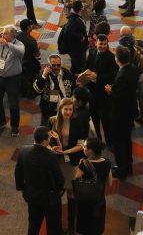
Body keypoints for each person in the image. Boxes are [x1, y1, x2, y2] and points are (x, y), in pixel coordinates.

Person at [14, 126, 64, 235]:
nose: (50, 139)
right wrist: (59, 190)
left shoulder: (23, 150)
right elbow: (59, 178)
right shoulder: (50, 156)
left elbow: (18, 172)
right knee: (53, 227)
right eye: (49, 138)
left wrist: (22, 189)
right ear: (46, 140)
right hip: (50, 198)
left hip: (32, 196)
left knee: (33, 225)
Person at [47, 98, 85, 233]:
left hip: (71, 160)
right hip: (57, 161)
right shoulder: (52, 121)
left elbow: (81, 145)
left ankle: (70, 227)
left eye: (70, 109)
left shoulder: (77, 121)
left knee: (71, 192)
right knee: (56, 191)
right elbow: (45, 140)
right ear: (60, 109)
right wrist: (52, 148)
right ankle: (55, 226)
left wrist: (66, 151)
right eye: (65, 109)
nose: (68, 112)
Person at [106, 46, 138, 179]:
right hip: (131, 111)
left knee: (119, 143)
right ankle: (128, 165)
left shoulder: (121, 77)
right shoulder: (134, 69)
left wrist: (110, 91)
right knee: (127, 139)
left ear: (117, 59)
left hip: (120, 115)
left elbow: (120, 98)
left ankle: (121, 170)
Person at [0, 25, 25, 136]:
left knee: (13, 103)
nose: (3, 35)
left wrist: (7, 44)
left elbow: (20, 52)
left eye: (5, 33)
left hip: (13, 79)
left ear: (13, 35)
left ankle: (14, 126)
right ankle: (1, 121)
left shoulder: (19, 44)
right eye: (2, 33)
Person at [80, 34, 117, 144]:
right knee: (94, 117)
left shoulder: (111, 58)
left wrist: (98, 77)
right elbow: (86, 66)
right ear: (96, 43)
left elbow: (113, 76)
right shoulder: (92, 52)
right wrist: (83, 77)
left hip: (104, 93)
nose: (103, 46)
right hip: (92, 92)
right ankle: (98, 139)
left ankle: (110, 142)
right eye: (101, 44)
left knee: (106, 120)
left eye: (105, 44)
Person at [74, 137, 111, 235]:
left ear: (91, 150)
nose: (83, 148)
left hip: (85, 200)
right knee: (97, 227)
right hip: (99, 200)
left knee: (86, 228)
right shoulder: (107, 162)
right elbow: (109, 183)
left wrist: (79, 165)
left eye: (85, 147)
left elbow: (76, 179)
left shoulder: (83, 164)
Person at [34, 55, 76, 126]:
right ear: (49, 65)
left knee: (64, 127)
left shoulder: (67, 73)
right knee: (46, 128)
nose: (56, 67)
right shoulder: (43, 74)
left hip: (64, 107)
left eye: (58, 65)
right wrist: (44, 76)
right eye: (53, 65)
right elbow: (36, 91)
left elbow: (73, 87)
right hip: (48, 108)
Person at [63, 0, 89, 74]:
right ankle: (75, 79)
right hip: (77, 49)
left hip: (77, 48)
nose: (83, 5)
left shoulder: (76, 17)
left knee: (77, 64)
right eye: (82, 5)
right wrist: (81, 37)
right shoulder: (73, 20)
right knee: (78, 66)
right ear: (81, 8)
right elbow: (67, 32)